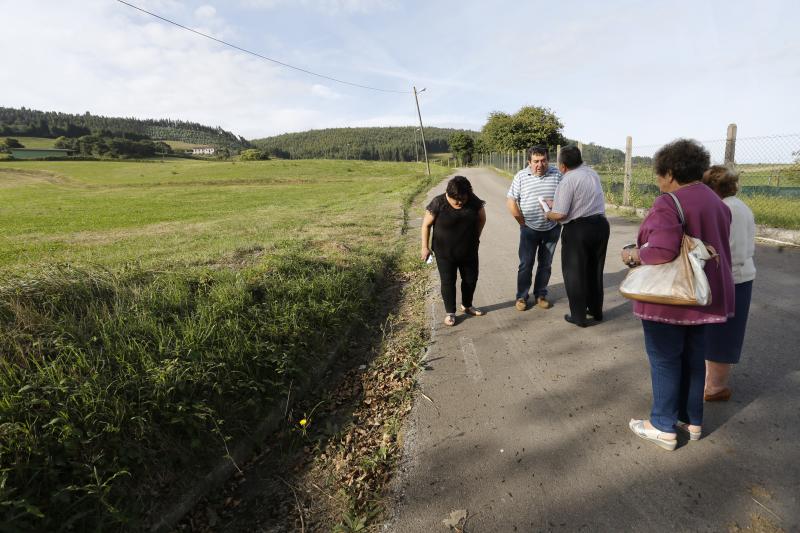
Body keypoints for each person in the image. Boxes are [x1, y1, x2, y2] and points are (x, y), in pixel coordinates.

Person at [621, 139, 734, 451]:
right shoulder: (716, 202)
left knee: (664, 359)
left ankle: (662, 425)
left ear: (670, 172)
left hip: (670, 298)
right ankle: (692, 421)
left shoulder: (668, 202)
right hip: (702, 295)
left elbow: (661, 250)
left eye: (659, 174)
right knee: (694, 359)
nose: (658, 180)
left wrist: (632, 255)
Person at [702, 165, 756, 402]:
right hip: (744, 276)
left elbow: (719, 248)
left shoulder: (721, 208)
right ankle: (716, 384)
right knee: (729, 332)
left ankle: (713, 387)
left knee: (717, 332)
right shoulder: (742, 206)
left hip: (725, 276)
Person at [546, 145, 609, 327]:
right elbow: (582, 199)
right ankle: (596, 311)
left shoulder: (567, 180)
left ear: (563, 165)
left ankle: (578, 316)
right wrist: (557, 203)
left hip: (578, 229)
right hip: (600, 225)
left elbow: (560, 215)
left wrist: (548, 212)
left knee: (574, 273)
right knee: (595, 270)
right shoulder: (592, 173)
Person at [421, 175, 487, 326]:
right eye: (456, 200)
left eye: (463, 199)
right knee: (448, 282)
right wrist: (424, 247)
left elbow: (482, 218)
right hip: (444, 253)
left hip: (468, 251)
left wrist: (475, 237)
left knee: (470, 280)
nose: (460, 202)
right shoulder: (438, 203)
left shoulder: (473, 200)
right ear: (447, 194)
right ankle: (450, 313)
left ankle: (467, 306)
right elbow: (426, 225)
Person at [506, 145, 563, 311]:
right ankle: (522, 297)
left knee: (545, 264)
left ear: (548, 160)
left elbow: (566, 198)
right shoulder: (521, 177)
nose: (540, 164)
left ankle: (540, 295)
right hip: (529, 230)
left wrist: (559, 220)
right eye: (536, 161)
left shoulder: (557, 175)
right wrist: (521, 222)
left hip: (552, 229)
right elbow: (511, 201)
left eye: (543, 160)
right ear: (529, 162)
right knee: (526, 264)